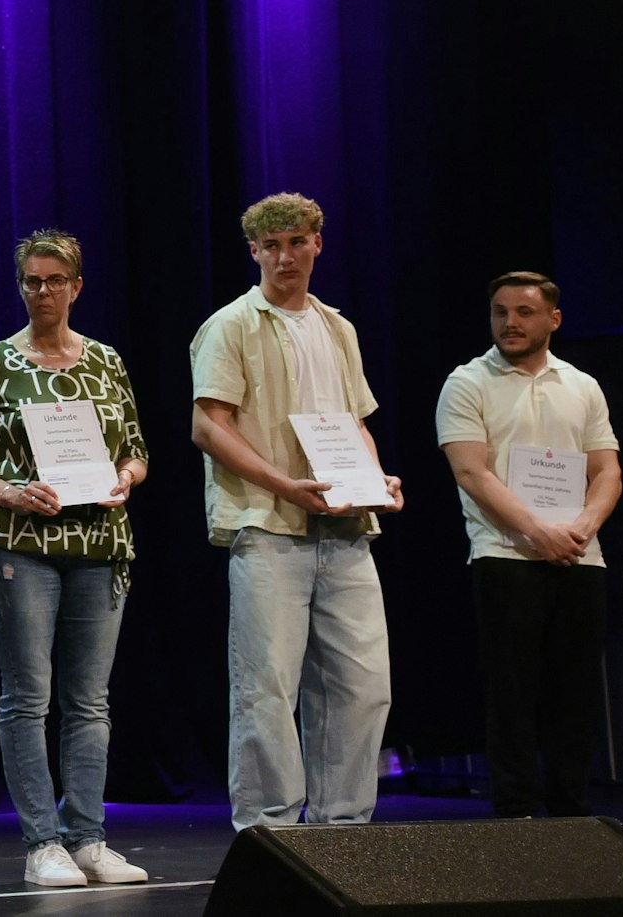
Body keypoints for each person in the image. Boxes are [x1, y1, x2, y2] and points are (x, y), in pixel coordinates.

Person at [189, 192, 404, 830]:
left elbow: (354, 423)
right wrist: (284, 484)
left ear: (318, 243)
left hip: (344, 530)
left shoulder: (338, 328)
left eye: (297, 241)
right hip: (269, 527)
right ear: (254, 251)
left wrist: (375, 479)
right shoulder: (231, 325)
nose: (286, 256)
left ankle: (342, 830)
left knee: (363, 687)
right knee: (267, 690)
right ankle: (271, 832)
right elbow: (208, 427)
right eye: (272, 245)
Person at [0, 230, 149, 887]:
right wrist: (10, 491)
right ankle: (42, 843)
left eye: (55, 280)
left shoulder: (107, 362)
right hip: (21, 545)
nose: (43, 291)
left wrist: (127, 475)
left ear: (76, 285)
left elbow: (137, 446)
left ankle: (87, 837)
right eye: (31, 280)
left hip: (99, 544)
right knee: (28, 697)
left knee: (90, 701)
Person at [436, 272, 619, 818]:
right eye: (499, 312)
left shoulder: (582, 385)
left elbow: (607, 469)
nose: (510, 323)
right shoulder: (468, 383)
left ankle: (572, 813)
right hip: (505, 555)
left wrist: (582, 526)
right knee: (513, 693)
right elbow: (472, 472)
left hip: (579, 555)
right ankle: (517, 814)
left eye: (523, 312)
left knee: (577, 693)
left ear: (553, 319)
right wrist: (538, 531)